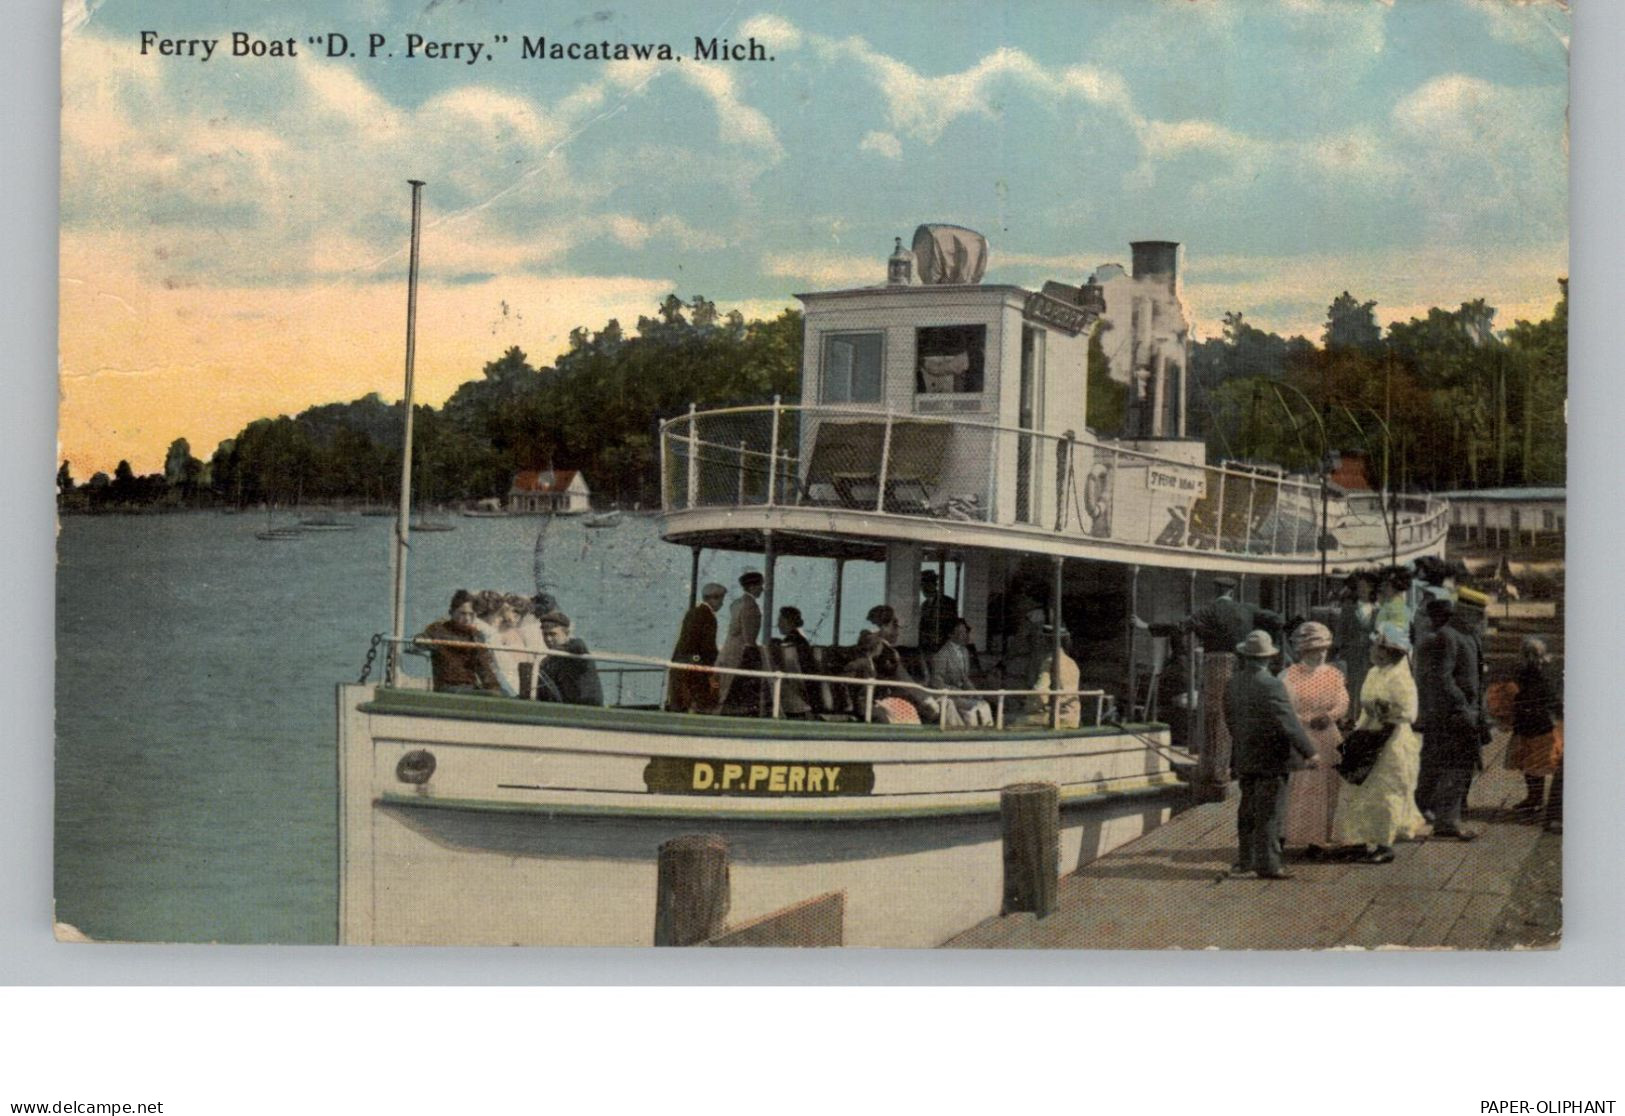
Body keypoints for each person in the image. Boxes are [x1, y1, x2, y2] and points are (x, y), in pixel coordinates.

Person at [1138, 575, 1282, 800]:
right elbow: (1276, 619)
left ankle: (1216, 772)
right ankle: (1238, 767)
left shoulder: (1209, 610)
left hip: (1217, 666)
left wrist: (1147, 626)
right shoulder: (1247, 609)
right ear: (1233, 592)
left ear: (1216, 591)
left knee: (1216, 718)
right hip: (1245, 665)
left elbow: (1180, 626)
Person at [1224, 630, 1319, 880]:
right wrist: (1309, 752)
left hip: (1246, 755)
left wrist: (1242, 741)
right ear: (1267, 658)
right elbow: (1288, 722)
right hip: (1272, 757)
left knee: (1248, 810)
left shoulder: (1233, 683)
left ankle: (1246, 860)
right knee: (1270, 812)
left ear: (1245, 657)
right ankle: (1269, 865)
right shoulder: (1272, 684)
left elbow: (1230, 719)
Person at [1333, 623, 1429, 863]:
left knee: (1385, 792)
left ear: (1392, 653)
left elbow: (1409, 713)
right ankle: (1358, 840)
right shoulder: (1374, 672)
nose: (1374, 653)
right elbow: (1364, 703)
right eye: (1375, 648)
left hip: (1391, 740)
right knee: (1359, 790)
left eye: (1381, 649)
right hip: (1368, 734)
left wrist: (1384, 711)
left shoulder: (1400, 675)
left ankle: (1385, 844)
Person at [1414, 596, 1484, 840]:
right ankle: (1445, 821)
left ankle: (1439, 815)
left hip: (1466, 714)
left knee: (1457, 768)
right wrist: (1462, 706)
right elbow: (1442, 678)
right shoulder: (1447, 636)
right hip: (1451, 716)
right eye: (1476, 613)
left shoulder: (1470, 636)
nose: (1481, 618)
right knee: (1452, 768)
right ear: (1463, 611)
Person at [1280, 621, 1349, 858]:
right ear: (1303, 651)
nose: (1320, 654)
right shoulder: (1289, 676)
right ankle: (1303, 835)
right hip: (1303, 737)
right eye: (1314, 650)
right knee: (1305, 788)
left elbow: (1343, 702)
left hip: (1329, 736)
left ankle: (1323, 837)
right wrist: (1305, 720)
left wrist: (1330, 716)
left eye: (1324, 649)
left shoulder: (1333, 674)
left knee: (1329, 786)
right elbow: (1284, 709)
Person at [1505, 636, 1563, 824]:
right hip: (1527, 724)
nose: (1533, 658)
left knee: (1537, 765)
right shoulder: (1522, 672)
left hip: (1540, 726)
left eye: (1535, 655)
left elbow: (1552, 697)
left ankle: (1536, 798)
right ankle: (1533, 797)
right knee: (1529, 764)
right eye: (1529, 654)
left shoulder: (1544, 673)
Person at [419, 589, 502, 695]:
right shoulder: (438, 629)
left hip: (470, 687)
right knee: (491, 695)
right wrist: (424, 641)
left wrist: (494, 687)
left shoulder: (476, 636)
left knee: (500, 694)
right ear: (451, 613)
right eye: (463, 613)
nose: (467, 618)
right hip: (447, 688)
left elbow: (484, 667)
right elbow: (420, 641)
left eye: (471, 614)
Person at [667, 582, 725, 713]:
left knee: (679, 699)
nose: (722, 604)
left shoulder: (693, 612)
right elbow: (707, 645)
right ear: (713, 598)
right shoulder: (708, 617)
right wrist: (715, 663)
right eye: (721, 599)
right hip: (694, 664)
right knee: (698, 698)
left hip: (681, 661)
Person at [930, 618, 994, 726]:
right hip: (949, 696)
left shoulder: (964, 651)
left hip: (962, 694)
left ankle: (987, 733)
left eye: (966, 632)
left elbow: (965, 678)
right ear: (950, 634)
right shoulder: (942, 654)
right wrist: (957, 691)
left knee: (984, 704)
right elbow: (936, 682)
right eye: (961, 632)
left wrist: (975, 693)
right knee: (974, 708)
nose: (965, 635)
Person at [716, 571, 764, 709]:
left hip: (727, 650)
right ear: (752, 587)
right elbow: (749, 638)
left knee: (723, 686)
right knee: (728, 687)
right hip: (738, 653)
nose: (762, 589)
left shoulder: (737, 603)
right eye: (760, 585)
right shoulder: (750, 605)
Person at [535, 610, 603, 706]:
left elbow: (579, 646)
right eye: (545, 634)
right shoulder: (547, 662)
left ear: (566, 634)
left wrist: (558, 651)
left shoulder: (576, 650)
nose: (548, 639)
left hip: (586, 708)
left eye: (553, 634)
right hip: (562, 708)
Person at [1019, 625, 1082, 729]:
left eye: (1040, 638)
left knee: (1014, 720)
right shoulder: (1071, 662)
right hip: (1073, 717)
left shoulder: (1050, 661)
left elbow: (1040, 692)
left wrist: (1028, 706)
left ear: (1045, 641)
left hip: (1058, 717)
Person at [1334, 571, 1377, 710]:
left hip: (1371, 653)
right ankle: (1353, 717)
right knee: (1353, 685)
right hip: (1352, 652)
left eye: (1366, 586)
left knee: (1370, 685)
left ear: (1372, 588)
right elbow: (1340, 631)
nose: (1363, 589)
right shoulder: (1349, 608)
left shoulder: (1378, 609)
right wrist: (1339, 649)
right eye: (1360, 586)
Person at [770, 605, 821, 718]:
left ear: (789, 621)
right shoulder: (800, 639)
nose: (778, 624)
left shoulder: (791, 642)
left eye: (780, 621)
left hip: (801, 689)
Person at [917, 570, 960, 654]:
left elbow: (952, 625)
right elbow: (922, 627)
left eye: (927, 584)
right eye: (922, 585)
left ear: (934, 585)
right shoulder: (924, 605)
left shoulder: (948, 602)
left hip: (944, 647)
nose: (924, 588)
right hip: (928, 648)